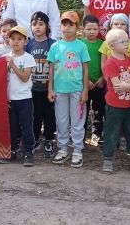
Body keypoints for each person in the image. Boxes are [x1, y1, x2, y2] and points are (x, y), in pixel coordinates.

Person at [47, 11, 90, 168]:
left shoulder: (81, 46)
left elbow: (86, 69)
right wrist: (50, 89)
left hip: (77, 89)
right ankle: (63, 148)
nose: (67, 28)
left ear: (77, 27)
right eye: (64, 24)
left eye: (71, 24)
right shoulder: (55, 46)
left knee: (77, 120)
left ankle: (77, 150)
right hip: (59, 90)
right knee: (61, 120)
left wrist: (85, 90)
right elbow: (51, 69)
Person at [100, 29, 130, 174]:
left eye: (127, 40)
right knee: (112, 132)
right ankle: (108, 158)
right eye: (123, 41)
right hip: (114, 106)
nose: (127, 44)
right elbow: (117, 87)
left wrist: (129, 85)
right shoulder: (111, 63)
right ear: (111, 46)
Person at [1, 26, 37, 166]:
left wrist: (13, 64)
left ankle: (28, 152)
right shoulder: (5, 58)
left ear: (25, 41)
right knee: (12, 127)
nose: (16, 42)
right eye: (13, 39)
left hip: (25, 98)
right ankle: (13, 151)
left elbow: (25, 77)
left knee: (27, 127)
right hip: (10, 99)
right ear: (9, 41)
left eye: (19, 39)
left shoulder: (28, 58)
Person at [26, 12, 56, 158]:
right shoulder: (29, 44)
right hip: (33, 87)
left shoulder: (53, 44)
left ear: (47, 26)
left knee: (49, 115)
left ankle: (49, 140)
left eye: (41, 24)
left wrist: (52, 87)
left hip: (48, 87)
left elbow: (56, 66)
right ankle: (35, 139)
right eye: (34, 24)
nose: (37, 27)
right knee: (35, 115)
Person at [81, 14, 105, 146]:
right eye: (89, 29)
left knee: (98, 109)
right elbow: (77, 64)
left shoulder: (102, 44)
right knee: (82, 109)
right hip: (84, 84)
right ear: (83, 29)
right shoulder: (80, 44)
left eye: (95, 29)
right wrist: (86, 80)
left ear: (99, 29)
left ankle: (97, 134)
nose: (92, 32)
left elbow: (105, 63)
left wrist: (102, 78)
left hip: (99, 83)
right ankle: (81, 134)